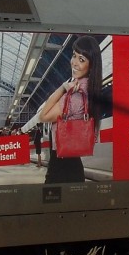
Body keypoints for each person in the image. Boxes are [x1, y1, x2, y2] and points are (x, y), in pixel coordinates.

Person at [37, 36, 102, 184]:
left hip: (62, 169)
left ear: (91, 66)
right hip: (70, 167)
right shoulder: (87, 89)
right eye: (74, 56)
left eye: (82, 59)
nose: (74, 63)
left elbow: (43, 115)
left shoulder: (75, 97)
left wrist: (62, 88)